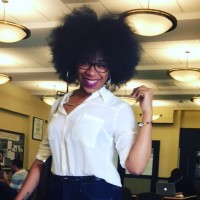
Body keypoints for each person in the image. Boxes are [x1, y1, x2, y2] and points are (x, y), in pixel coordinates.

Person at [15, 6, 153, 200]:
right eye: (85, 62)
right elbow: (40, 160)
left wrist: (147, 113)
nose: (91, 72)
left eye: (102, 64)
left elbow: (136, 167)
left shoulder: (117, 109)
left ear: (113, 67)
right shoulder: (57, 105)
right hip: (56, 190)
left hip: (98, 192)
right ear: (72, 61)